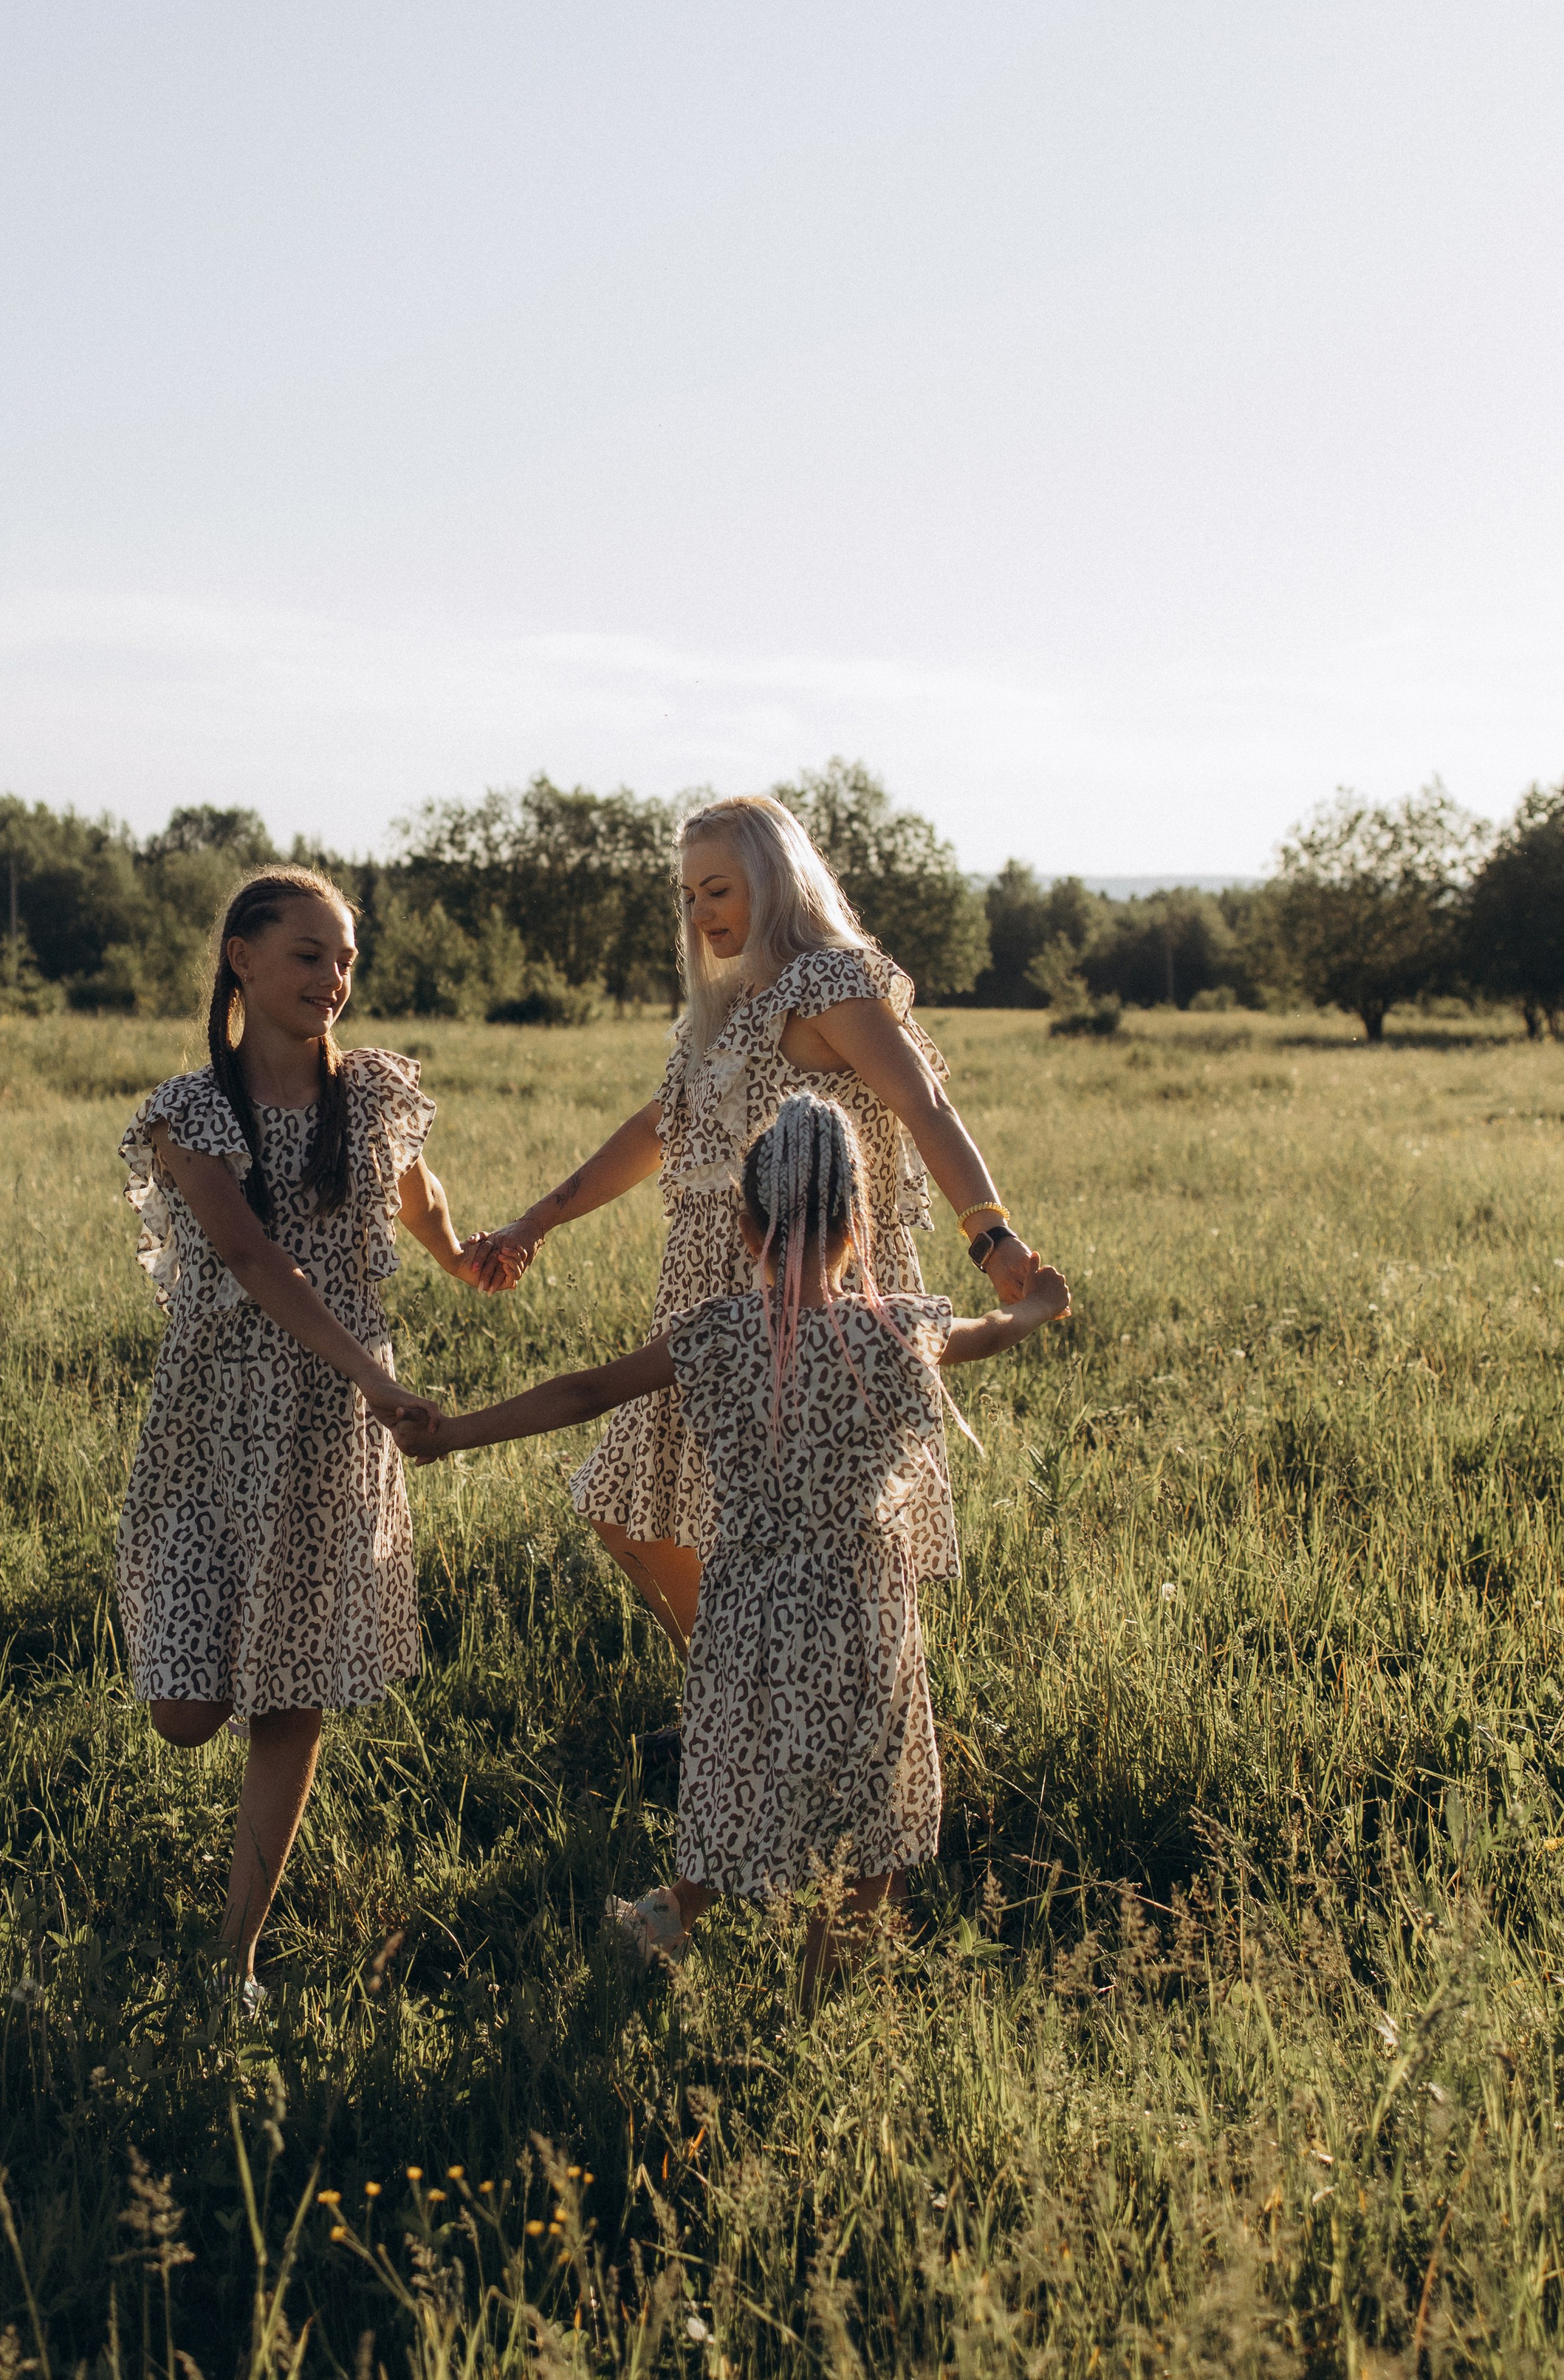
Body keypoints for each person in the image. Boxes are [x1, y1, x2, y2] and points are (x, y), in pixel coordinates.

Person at [406, 1094, 1071, 1991]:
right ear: (859, 1220)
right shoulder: (900, 1329)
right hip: (862, 1617)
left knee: (737, 1786)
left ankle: (663, 1919)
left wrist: (452, 1433)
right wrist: (1036, 1306)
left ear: (745, 1219)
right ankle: (819, 1999)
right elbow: (992, 1332)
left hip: (745, 1609)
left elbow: (581, 1393)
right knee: (874, 1810)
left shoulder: (714, 1336)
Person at [467, 794, 1043, 1674]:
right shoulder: (728, 1005)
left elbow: (924, 1103)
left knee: (799, 1528)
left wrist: (989, 1233)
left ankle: (785, 1708)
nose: (699, 914)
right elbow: (656, 1130)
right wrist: (534, 1220)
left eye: (718, 890)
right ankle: (739, 1695)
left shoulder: (829, 984)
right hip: (705, 1294)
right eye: (688, 895)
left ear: (774, 883)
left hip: (806, 1284)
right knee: (641, 1508)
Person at [116, 865, 488, 2009]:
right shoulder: (193, 1112)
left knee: (287, 1694)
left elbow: (415, 1197)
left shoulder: (371, 1094)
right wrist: (376, 1374)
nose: (332, 979)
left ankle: (235, 1958)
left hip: (330, 1438)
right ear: (242, 958)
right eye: (307, 955)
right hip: (213, 1422)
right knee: (185, 1713)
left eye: (344, 960)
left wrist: (465, 1254)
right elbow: (248, 1258)